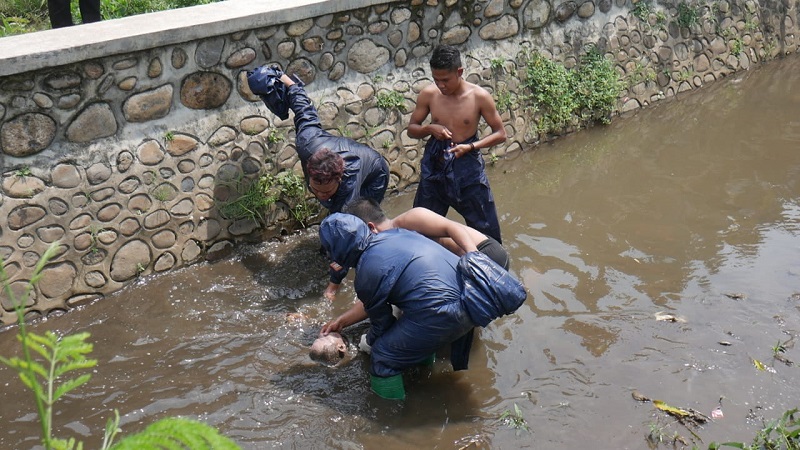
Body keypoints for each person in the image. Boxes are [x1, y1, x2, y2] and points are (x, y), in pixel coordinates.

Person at [318, 213, 526, 400]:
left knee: (383, 355)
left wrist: (368, 344)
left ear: (338, 254)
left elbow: (382, 324)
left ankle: (390, 418)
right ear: (367, 228)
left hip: (448, 314)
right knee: (413, 323)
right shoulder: (399, 233)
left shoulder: (365, 274)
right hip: (474, 300)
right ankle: (423, 368)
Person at [247, 66, 390, 299]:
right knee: (333, 224)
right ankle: (326, 252)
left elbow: (345, 228)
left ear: (339, 180)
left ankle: (372, 260)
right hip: (338, 155)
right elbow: (304, 110)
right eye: (317, 190)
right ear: (309, 170)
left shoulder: (349, 185)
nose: (321, 196)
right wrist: (289, 83)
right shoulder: (307, 142)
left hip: (374, 172)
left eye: (327, 192)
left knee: (353, 226)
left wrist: (333, 286)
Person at [407, 44, 507, 245]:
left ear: (459, 72)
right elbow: (412, 129)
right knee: (422, 223)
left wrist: (471, 147)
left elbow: (500, 134)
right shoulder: (429, 94)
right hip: (435, 161)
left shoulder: (479, 97)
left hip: (466, 161)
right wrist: (429, 129)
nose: (441, 85)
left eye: (445, 80)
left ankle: (491, 265)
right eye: (436, 80)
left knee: (485, 227)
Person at [344, 197, 509, 270]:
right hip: (465, 263)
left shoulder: (409, 219)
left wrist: (475, 258)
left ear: (371, 227)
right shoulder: (391, 243)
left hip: (486, 254)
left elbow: (452, 228)